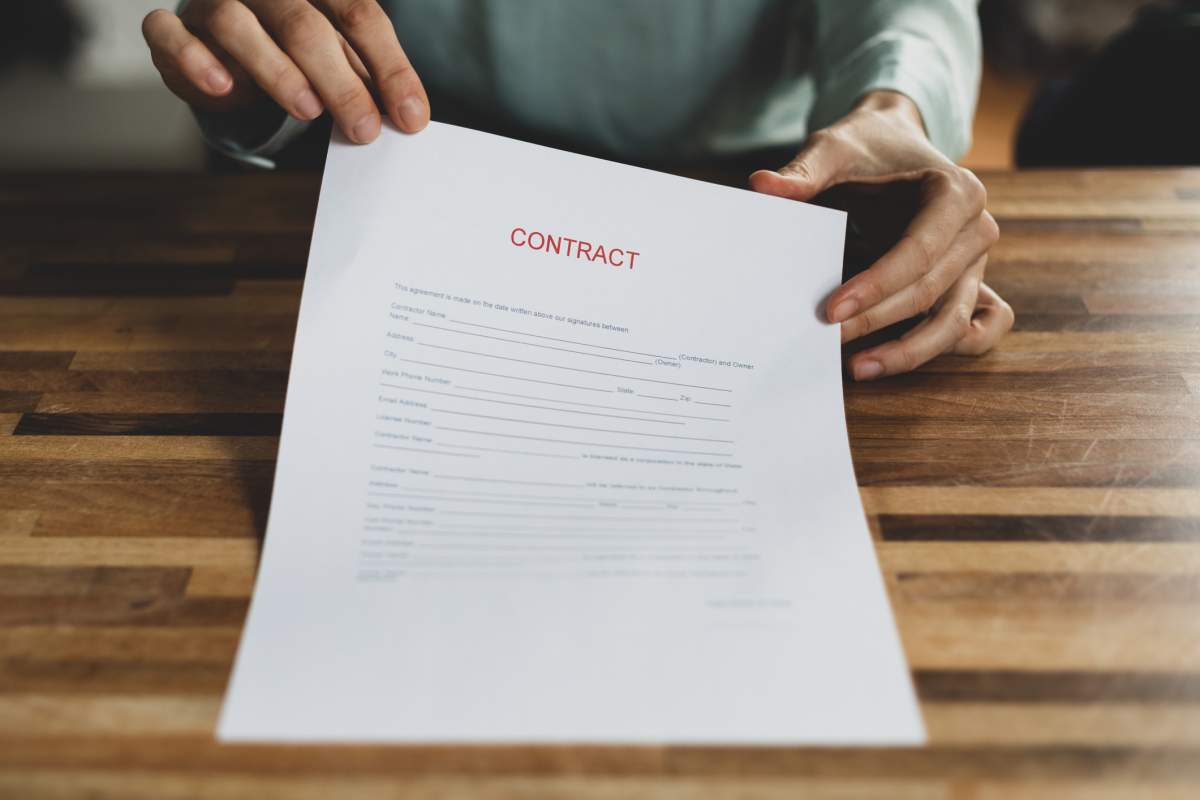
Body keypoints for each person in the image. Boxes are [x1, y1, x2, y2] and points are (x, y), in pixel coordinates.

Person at [142, 0, 1013, 381]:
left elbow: (904, 15)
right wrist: (263, 66)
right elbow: (276, 27)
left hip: (757, 210)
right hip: (417, 189)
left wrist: (894, 109)